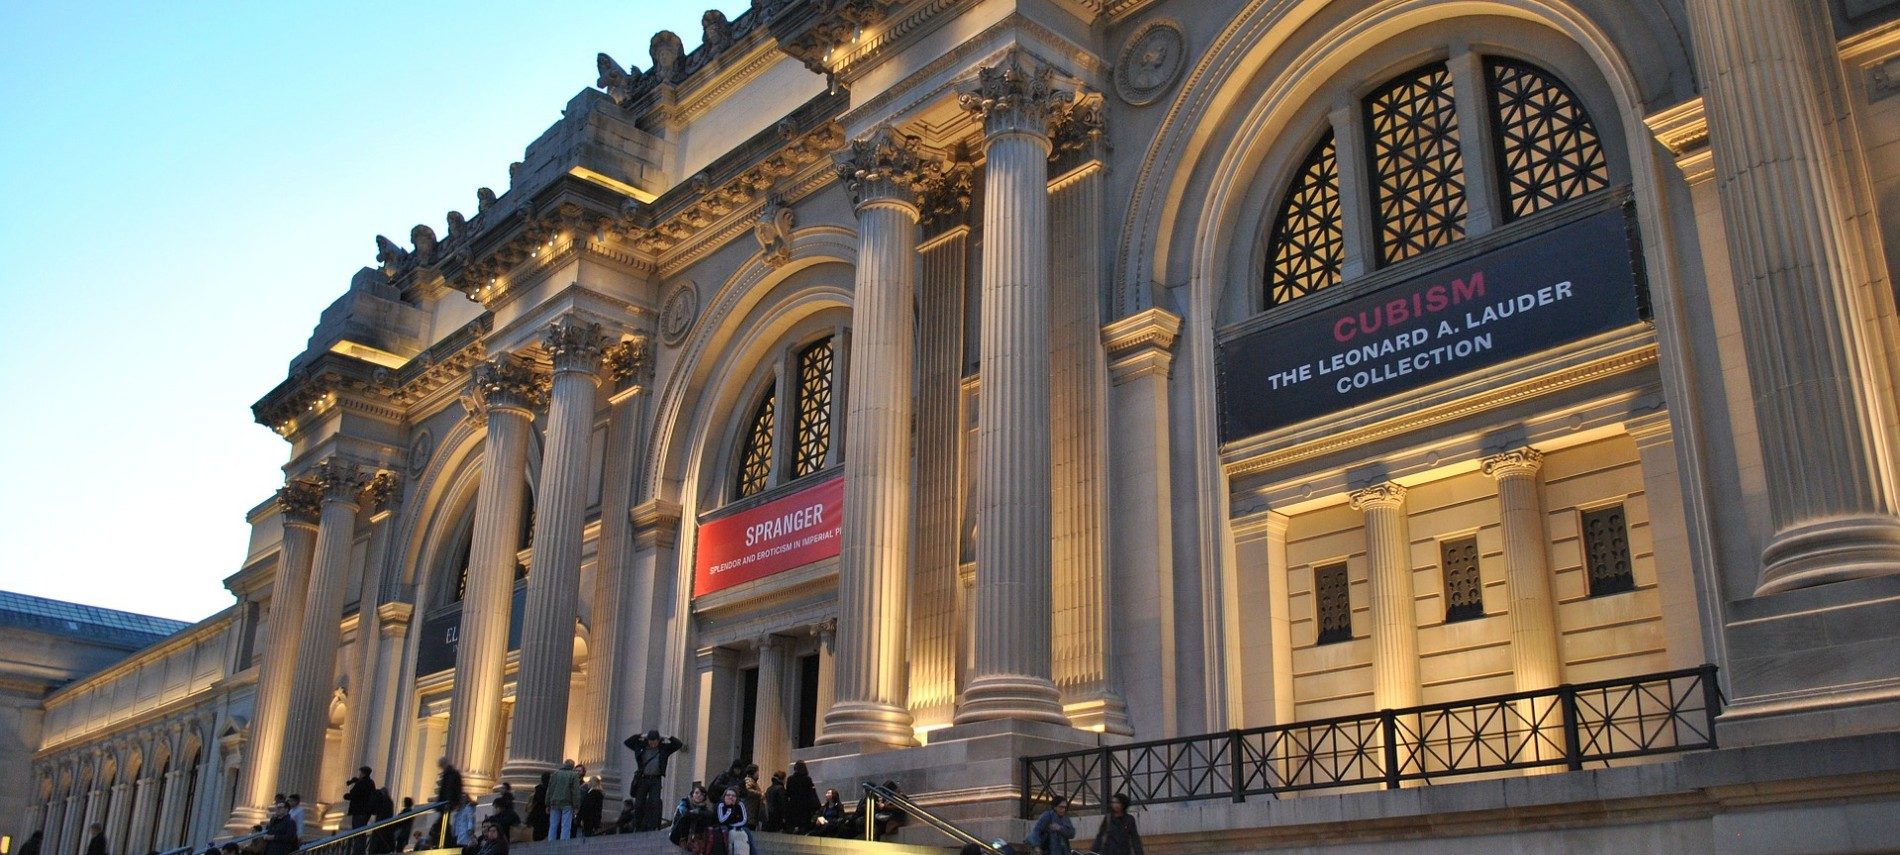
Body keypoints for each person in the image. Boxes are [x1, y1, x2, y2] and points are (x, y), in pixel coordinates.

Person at [622, 730, 683, 832]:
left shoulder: (664, 749)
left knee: (655, 802)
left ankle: (653, 826)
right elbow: (627, 742)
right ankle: (638, 826)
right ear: (647, 740)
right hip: (643, 778)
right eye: (650, 742)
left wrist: (667, 736)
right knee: (639, 803)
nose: (653, 744)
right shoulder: (641, 747)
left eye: (655, 742)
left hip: (656, 779)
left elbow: (678, 744)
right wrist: (641, 735)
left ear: (659, 741)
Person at [668, 783, 715, 849]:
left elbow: (710, 815)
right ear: (692, 794)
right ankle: (684, 840)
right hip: (677, 835)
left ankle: (696, 839)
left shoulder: (704, 808)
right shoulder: (685, 802)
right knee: (688, 816)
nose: (698, 796)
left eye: (702, 794)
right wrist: (695, 813)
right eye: (696, 793)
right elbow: (684, 813)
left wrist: (698, 812)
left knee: (704, 816)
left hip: (694, 836)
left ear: (704, 797)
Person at [547, 759, 581, 840]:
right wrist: (576, 806)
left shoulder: (555, 774)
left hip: (554, 802)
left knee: (553, 825)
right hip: (567, 803)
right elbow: (575, 791)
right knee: (566, 826)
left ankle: (550, 843)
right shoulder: (573, 775)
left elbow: (550, 790)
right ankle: (564, 844)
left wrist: (547, 803)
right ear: (572, 766)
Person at [784, 761, 819, 834]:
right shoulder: (807, 779)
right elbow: (811, 793)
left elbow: (788, 793)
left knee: (792, 827)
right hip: (805, 807)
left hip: (793, 806)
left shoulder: (790, 779)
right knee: (803, 828)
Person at [715, 788, 750, 855]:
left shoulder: (740, 804)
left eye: (733, 796)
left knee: (747, 832)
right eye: (728, 795)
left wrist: (732, 825)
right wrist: (730, 809)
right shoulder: (720, 805)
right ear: (724, 796)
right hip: (723, 828)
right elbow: (721, 820)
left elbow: (744, 820)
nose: (730, 797)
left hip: (737, 827)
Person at [526, 772, 550, 841]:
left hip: (537, 811)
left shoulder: (538, 788)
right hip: (545, 811)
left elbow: (536, 799)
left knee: (537, 828)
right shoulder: (549, 789)